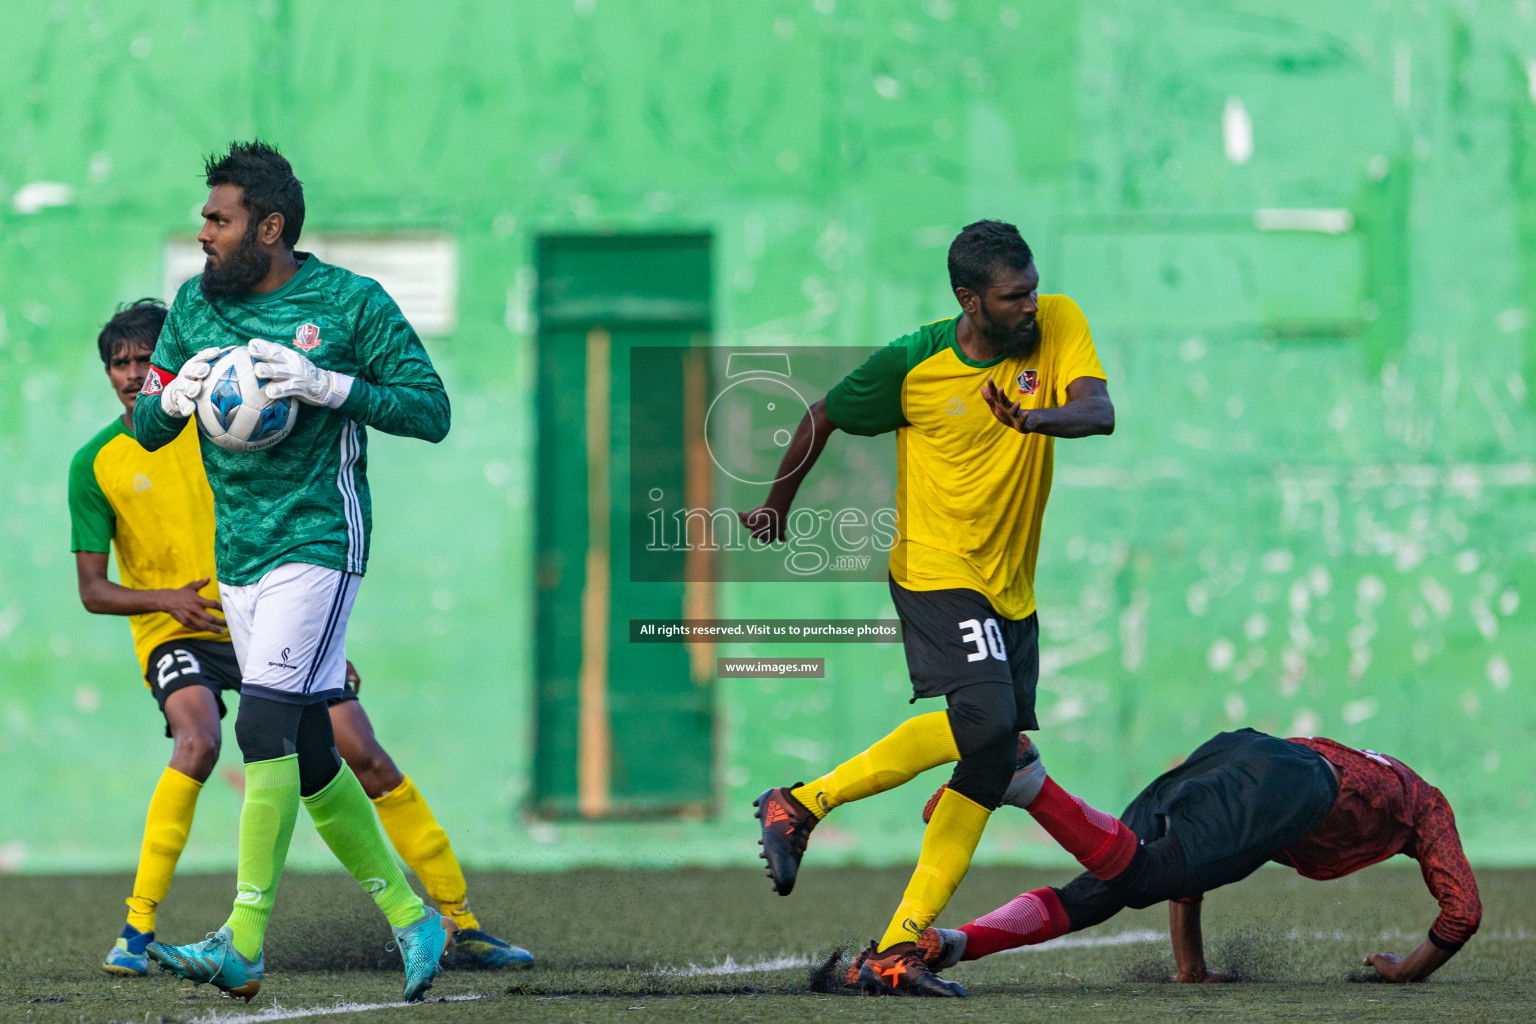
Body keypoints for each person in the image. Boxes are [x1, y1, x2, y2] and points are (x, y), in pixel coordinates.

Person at [70, 300, 533, 983]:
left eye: (146, 360)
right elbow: (93, 591)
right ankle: (140, 928)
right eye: (121, 363)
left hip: (266, 619)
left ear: (172, 364)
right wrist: (166, 600)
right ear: (108, 372)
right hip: (177, 631)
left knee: (356, 753)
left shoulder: (227, 425)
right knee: (197, 741)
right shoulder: (96, 463)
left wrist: (318, 632)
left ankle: (456, 923)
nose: (136, 375)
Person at [744, 221, 1146, 997]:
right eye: (1012, 296)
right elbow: (821, 414)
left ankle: (893, 947)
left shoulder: (1057, 321)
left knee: (991, 759)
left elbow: (1098, 412)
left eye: (1032, 288)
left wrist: (1032, 419)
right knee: (991, 726)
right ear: (970, 299)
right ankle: (805, 803)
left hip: (1010, 588)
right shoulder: (914, 364)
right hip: (936, 571)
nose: (1031, 305)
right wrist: (775, 507)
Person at [127, 141, 457, 1003]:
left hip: (319, 543)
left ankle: (241, 940)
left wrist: (329, 384)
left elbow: (430, 410)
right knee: (307, 751)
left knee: (262, 725)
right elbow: (147, 430)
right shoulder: (195, 307)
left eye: (219, 218)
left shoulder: (351, 303)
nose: (202, 231)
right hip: (237, 556)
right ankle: (414, 919)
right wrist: (168, 396)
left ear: (268, 227)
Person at [898, 729, 1481, 986]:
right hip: (1293, 781)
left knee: (1105, 887)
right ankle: (1029, 782)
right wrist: (1404, 971)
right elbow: (1464, 913)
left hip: (1244, 748)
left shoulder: (1362, 779)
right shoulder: (1425, 807)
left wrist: (1191, 968)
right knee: (1146, 876)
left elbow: (1198, 868)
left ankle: (951, 943)